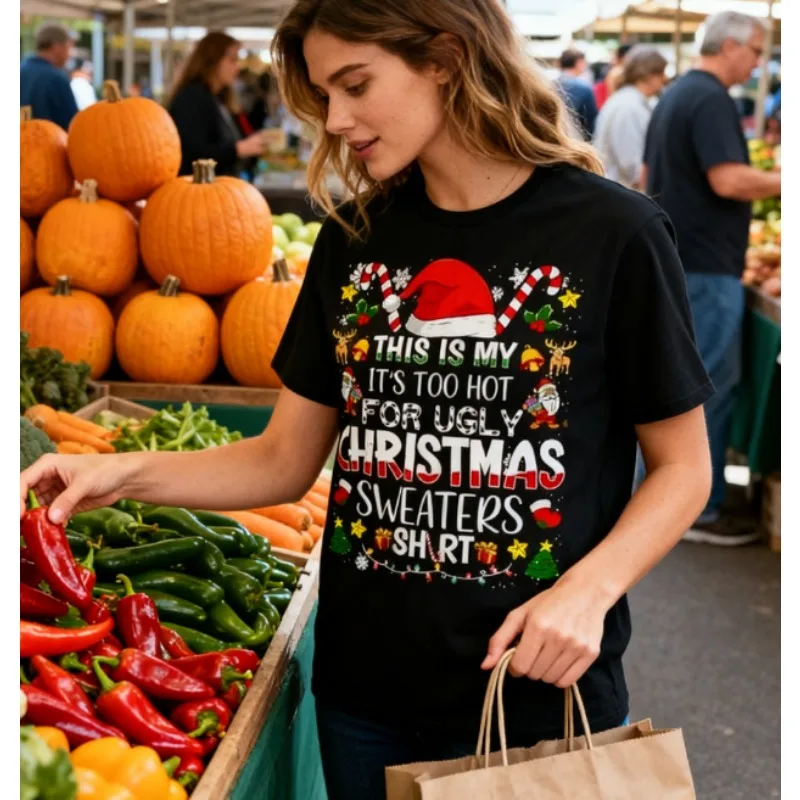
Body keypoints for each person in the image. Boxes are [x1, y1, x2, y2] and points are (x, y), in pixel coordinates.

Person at [22, 1, 714, 798]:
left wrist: (586, 593)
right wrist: (116, 474)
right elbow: (282, 462)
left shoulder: (614, 232)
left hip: (529, 693)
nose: (337, 119)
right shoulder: (354, 240)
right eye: (324, 94)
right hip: (362, 696)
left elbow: (684, 469)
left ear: (445, 58)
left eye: (356, 84)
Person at [643, 10, 780, 546]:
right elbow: (729, 180)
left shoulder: (677, 94)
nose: (757, 63)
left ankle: (668, 501)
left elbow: (648, 179)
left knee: (678, 386)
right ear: (730, 47)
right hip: (705, 263)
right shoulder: (711, 99)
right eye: (755, 52)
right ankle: (700, 509)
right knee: (707, 389)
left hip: (684, 257)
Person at [167, 31, 265, 177]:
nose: (237, 67)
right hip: (199, 192)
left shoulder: (218, 98)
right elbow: (193, 153)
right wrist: (238, 149)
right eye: (232, 60)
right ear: (212, 61)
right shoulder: (192, 97)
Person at [593, 46, 667, 189]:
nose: (664, 79)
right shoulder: (628, 108)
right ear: (648, 75)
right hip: (623, 198)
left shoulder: (630, 101)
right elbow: (633, 167)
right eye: (661, 73)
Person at [20, 23, 79, 130]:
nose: (69, 54)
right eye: (68, 47)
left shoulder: (20, 70)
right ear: (56, 47)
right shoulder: (56, 78)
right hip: (48, 143)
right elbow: (74, 124)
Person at [556, 48, 598, 139]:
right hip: (576, 141)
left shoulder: (550, 84)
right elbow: (591, 123)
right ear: (579, 63)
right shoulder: (584, 88)